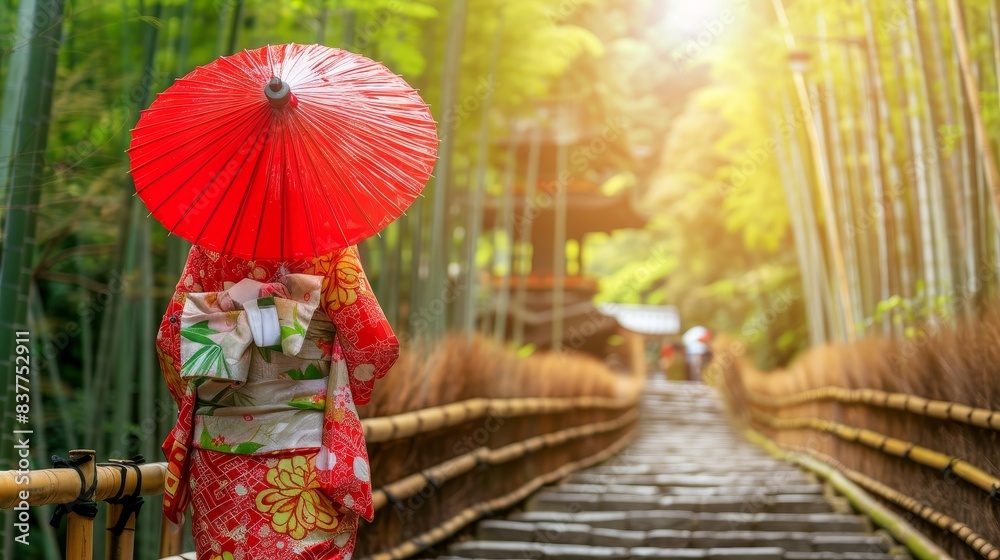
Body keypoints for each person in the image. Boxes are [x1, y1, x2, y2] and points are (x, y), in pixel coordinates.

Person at [156, 244, 397, 559]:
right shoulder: (332, 247)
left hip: (220, 460)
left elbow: (171, 343)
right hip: (308, 459)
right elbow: (373, 345)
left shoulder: (210, 248)